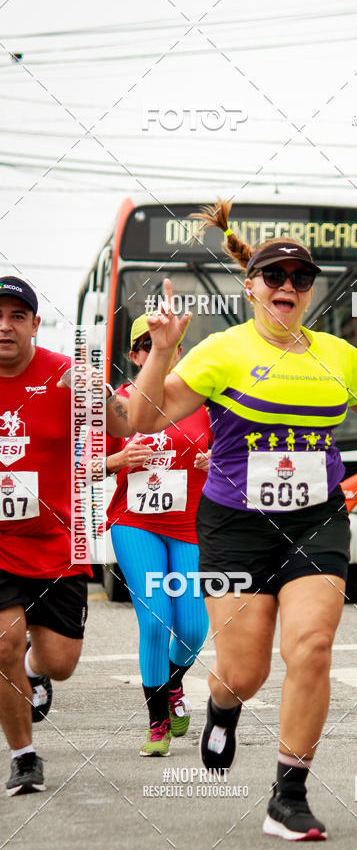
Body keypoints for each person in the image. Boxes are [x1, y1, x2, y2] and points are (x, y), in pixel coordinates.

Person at [127, 200, 357, 840]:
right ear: (251, 287)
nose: (287, 286)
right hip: (234, 526)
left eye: (301, 278)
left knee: (312, 647)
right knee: (245, 672)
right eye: (274, 276)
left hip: (315, 520)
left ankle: (289, 794)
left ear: (310, 292)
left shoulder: (336, 355)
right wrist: (161, 352)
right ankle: (223, 704)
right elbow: (143, 418)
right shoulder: (221, 351)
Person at [0, 275, 130, 795]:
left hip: (58, 545)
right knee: (4, 645)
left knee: (60, 663)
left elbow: (122, 427)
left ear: (35, 324)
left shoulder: (63, 375)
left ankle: (35, 670)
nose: (4, 326)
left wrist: (101, 393)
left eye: (16, 316)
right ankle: (24, 756)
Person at [105, 314, 211, 756]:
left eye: (163, 344)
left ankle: (172, 683)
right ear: (134, 356)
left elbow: (234, 458)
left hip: (190, 527)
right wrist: (117, 460)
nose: (155, 351)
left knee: (192, 629)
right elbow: (82, 465)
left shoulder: (203, 402)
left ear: (179, 352)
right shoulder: (120, 406)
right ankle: (157, 723)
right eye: (145, 346)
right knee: (155, 621)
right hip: (136, 524)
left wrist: (215, 463)